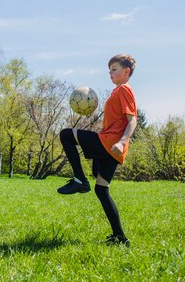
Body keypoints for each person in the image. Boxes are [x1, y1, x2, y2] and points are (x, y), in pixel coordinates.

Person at [57, 54, 137, 247]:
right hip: (111, 150)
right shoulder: (115, 92)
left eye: (114, 69)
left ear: (126, 71)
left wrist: (122, 142)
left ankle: (79, 180)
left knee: (66, 134)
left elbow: (132, 119)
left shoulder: (124, 89)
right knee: (102, 190)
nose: (110, 73)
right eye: (109, 70)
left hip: (110, 144)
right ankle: (120, 237)